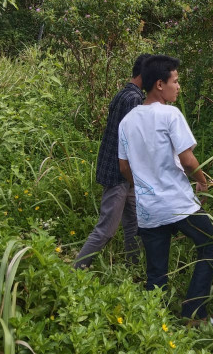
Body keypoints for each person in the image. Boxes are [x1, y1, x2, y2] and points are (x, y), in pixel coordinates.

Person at [118, 55, 213, 322]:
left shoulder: (127, 122)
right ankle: (194, 313)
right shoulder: (170, 114)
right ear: (159, 85)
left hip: (148, 208)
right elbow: (187, 160)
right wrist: (203, 181)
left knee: (156, 272)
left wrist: (142, 186)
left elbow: (124, 168)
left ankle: (155, 324)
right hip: (178, 204)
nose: (178, 87)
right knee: (209, 243)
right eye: (175, 81)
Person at [73, 53, 151, 269]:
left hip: (121, 173)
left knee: (134, 224)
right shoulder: (134, 99)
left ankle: (133, 268)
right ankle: (76, 270)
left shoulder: (123, 93)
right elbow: (131, 142)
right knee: (106, 230)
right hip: (121, 174)